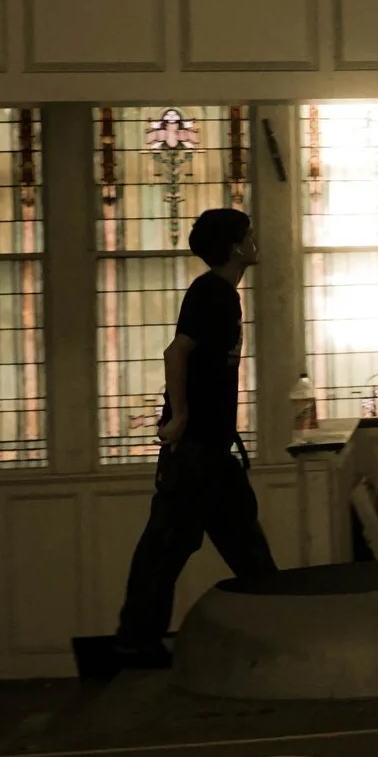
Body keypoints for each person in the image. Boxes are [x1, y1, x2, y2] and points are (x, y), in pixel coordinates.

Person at [112, 207, 278, 667]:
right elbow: (176, 352)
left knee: (244, 545)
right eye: (248, 234)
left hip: (212, 453)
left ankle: (280, 627)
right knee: (166, 548)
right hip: (197, 452)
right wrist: (180, 416)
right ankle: (134, 642)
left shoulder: (223, 294)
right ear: (234, 246)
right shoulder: (212, 293)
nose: (255, 240)